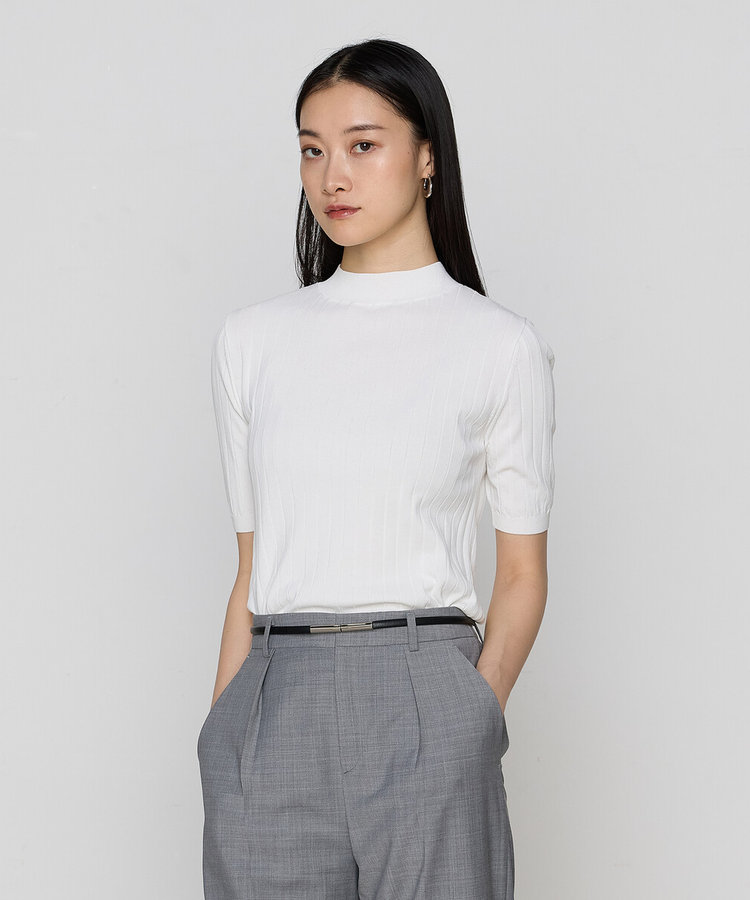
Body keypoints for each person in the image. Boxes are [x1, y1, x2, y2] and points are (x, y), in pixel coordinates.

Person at [197, 38, 556, 900]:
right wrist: (221, 733)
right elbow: (252, 566)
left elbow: (522, 574)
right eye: (312, 150)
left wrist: (474, 716)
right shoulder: (251, 342)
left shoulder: (498, 344)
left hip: (426, 689)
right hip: (273, 696)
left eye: (363, 144)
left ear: (427, 154)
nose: (333, 176)